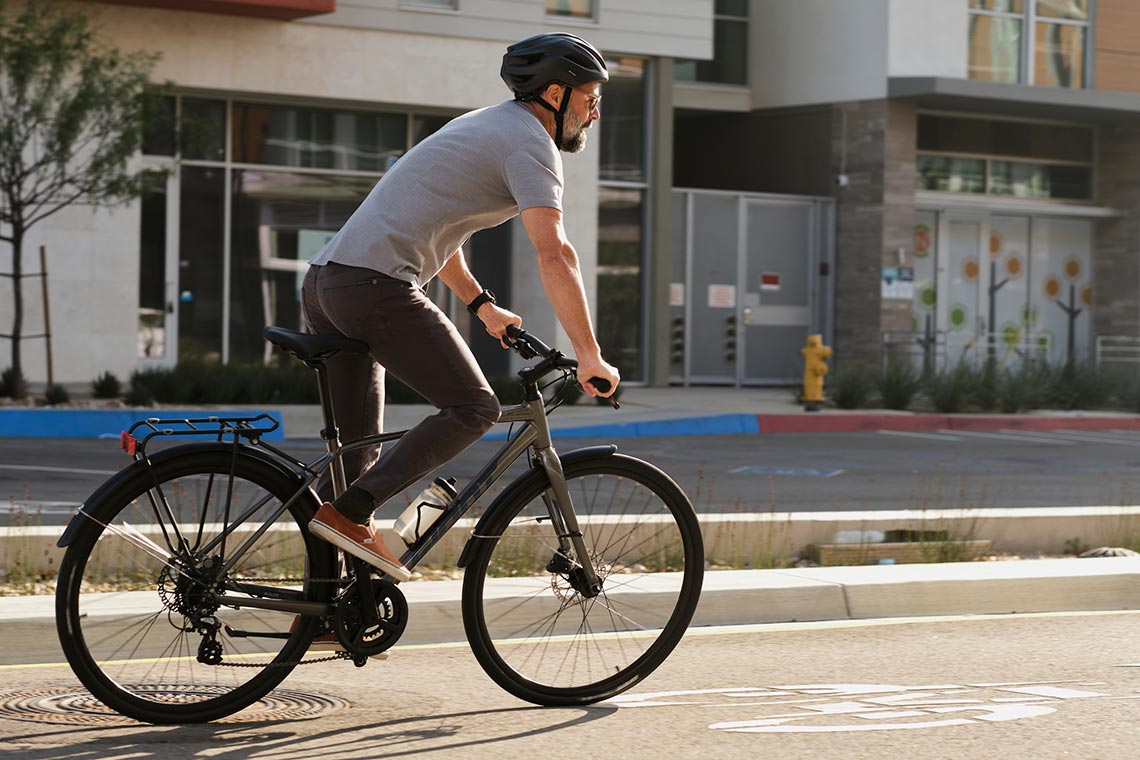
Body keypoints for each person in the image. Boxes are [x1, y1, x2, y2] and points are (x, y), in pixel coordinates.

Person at [300, 32, 621, 583]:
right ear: (554, 93)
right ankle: (351, 517)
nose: (594, 113)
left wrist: (481, 305)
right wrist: (589, 354)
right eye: (590, 99)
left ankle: (327, 607)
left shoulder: (481, 123)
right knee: (474, 409)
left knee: (355, 461)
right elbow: (555, 252)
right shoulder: (530, 145)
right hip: (375, 287)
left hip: (329, 285)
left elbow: (441, 228)